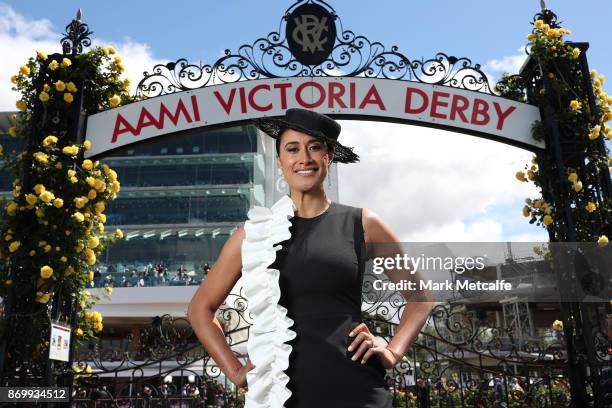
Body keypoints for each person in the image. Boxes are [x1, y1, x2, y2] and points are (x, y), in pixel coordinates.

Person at [187, 108, 433, 407]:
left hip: (358, 389)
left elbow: (420, 298)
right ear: (280, 162)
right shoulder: (252, 234)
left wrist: (392, 352)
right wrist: (236, 371)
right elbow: (200, 309)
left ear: (328, 157)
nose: (304, 157)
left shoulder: (363, 223)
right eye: (292, 149)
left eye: (314, 147)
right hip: (284, 394)